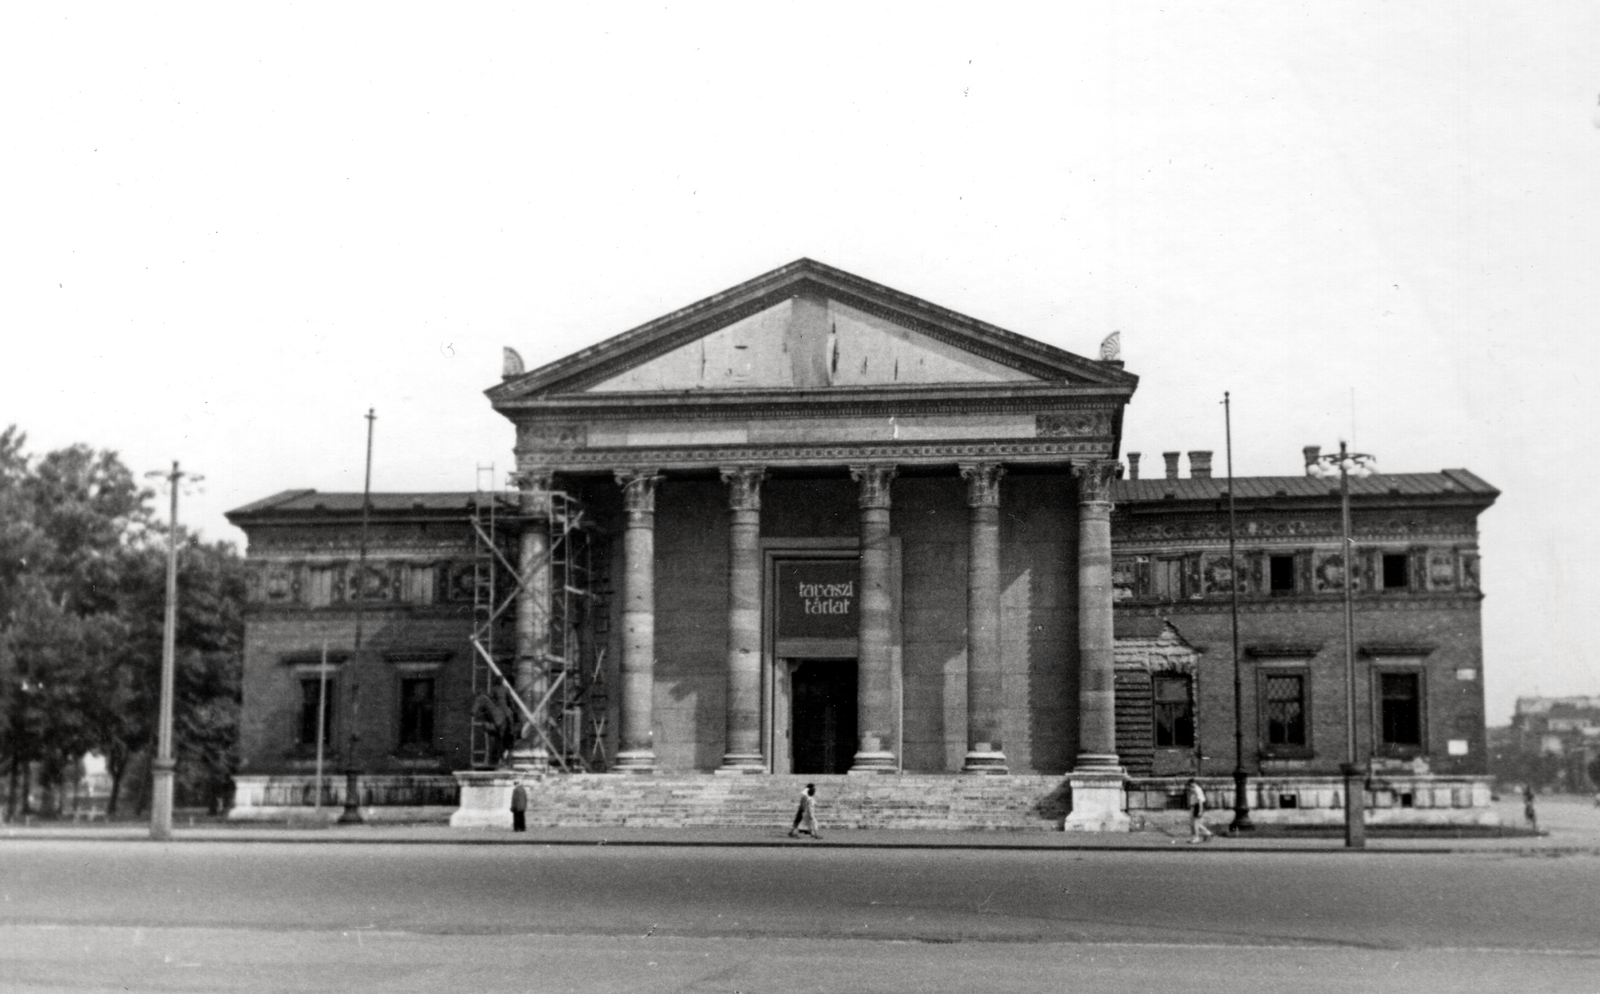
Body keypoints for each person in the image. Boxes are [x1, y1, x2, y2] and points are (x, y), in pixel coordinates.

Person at [1186, 777, 1214, 844]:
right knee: (1193, 823)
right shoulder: (1194, 789)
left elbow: (1200, 801)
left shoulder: (1197, 789)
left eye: (1190, 785)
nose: (1190, 786)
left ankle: (1196, 837)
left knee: (1195, 823)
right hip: (1194, 806)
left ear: (1193, 783)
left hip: (1197, 806)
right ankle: (1207, 833)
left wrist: (1200, 811)